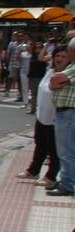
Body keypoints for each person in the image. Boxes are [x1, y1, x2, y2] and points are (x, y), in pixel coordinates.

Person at [24, 44, 64, 187]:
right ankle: (33, 170)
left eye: (63, 56)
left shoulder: (66, 74)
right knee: (40, 144)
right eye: (57, 56)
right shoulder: (50, 71)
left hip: (56, 117)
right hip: (42, 115)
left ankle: (51, 176)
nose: (59, 59)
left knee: (53, 148)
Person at [43, 37, 75, 197]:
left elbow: (55, 80)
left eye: (68, 51)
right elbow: (52, 82)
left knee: (66, 151)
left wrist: (58, 82)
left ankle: (67, 184)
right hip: (65, 112)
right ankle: (66, 180)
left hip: (69, 112)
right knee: (66, 150)